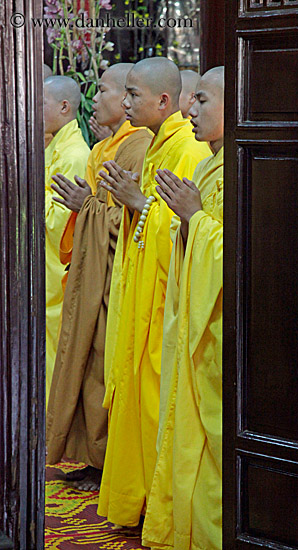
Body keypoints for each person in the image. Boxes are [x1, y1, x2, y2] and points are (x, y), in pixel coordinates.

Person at [96, 57, 211, 528]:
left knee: (156, 409)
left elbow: (181, 230)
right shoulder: (158, 147)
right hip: (143, 297)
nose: (124, 103)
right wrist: (134, 204)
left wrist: (140, 203)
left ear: (164, 100)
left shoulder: (186, 151)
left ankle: (156, 507)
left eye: (133, 95)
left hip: (166, 304)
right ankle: (141, 503)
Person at [46, 64, 151, 491]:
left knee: (105, 368)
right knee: (87, 364)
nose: (106, 100)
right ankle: (90, 457)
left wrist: (87, 204)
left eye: (107, 90)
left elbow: (137, 218)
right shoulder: (104, 150)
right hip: (91, 275)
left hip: (117, 278)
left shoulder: (139, 146)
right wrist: (86, 205)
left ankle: (107, 460)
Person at [142, 66, 225, 550]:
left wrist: (194, 217)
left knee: (211, 440)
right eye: (191, 101)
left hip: (214, 329)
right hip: (190, 315)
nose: (189, 110)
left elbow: (237, 254)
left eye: (203, 101)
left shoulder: (242, 165)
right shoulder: (205, 164)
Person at [44, 76, 90, 407]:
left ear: (64, 106)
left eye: (39, 104)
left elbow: (58, 223)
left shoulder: (74, 153)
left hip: (54, 267)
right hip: (40, 265)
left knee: (53, 341)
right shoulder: (56, 147)